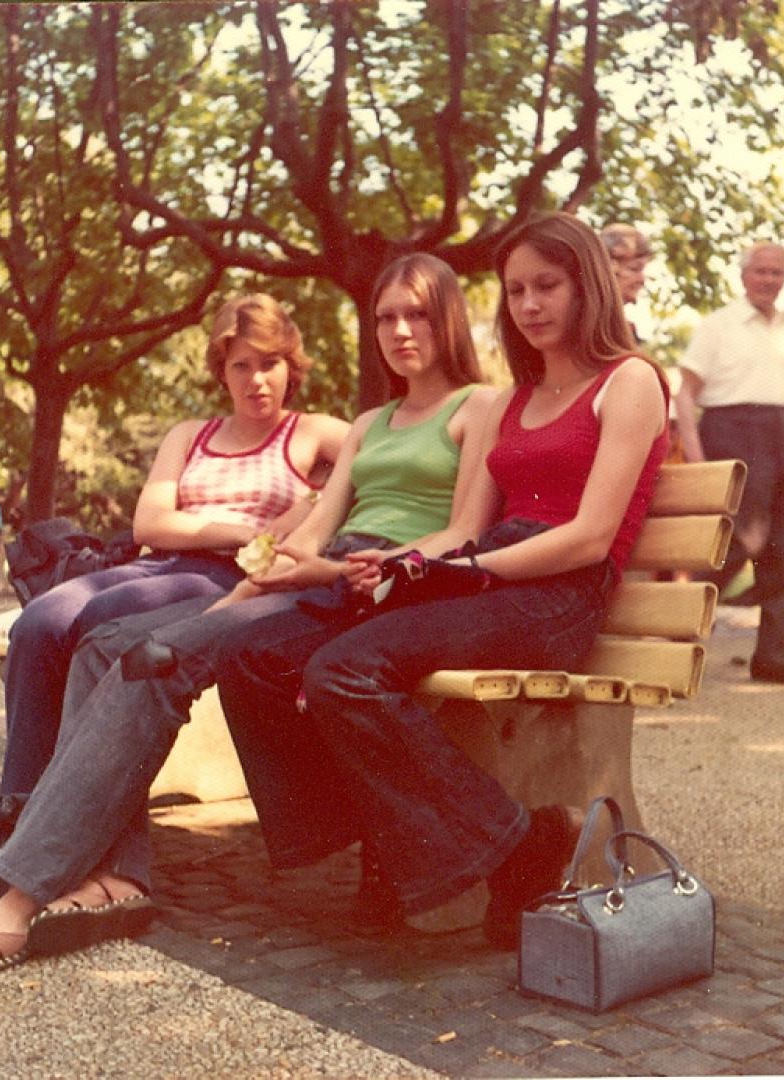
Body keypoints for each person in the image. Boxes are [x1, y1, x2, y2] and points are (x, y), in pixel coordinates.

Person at [0, 254, 494, 978]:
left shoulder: (479, 407)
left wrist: (350, 567)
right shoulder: (371, 422)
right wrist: (255, 584)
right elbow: (315, 531)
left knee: (158, 659)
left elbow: (464, 532)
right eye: (386, 316)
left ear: (448, 318)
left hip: (384, 586)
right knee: (109, 644)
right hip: (312, 579)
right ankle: (117, 879)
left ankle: (18, 897)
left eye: (416, 314)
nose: (399, 330)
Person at [210, 212, 670, 951]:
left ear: (587, 285)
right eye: (516, 291)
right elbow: (468, 525)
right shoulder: (517, 398)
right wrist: (409, 565)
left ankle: (488, 850)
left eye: (547, 286)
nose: (529, 305)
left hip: (562, 596)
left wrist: (469, 569)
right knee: (264, 657)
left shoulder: (631, 381)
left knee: (344, 671)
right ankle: (481, 843)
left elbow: (589, 536)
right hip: (489, 580)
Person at [0, 294, 348, 798]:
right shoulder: (190, 435)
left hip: (230, 578)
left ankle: (73, 806)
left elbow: (380, 458)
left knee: (105, 617)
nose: (257, 379)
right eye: (241, 365)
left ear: (291, 366)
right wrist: (246, 530)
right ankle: (19, 800)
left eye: (270, 363)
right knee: (39, 622)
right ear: (221, 371)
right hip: (159, 565)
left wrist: (311, 506)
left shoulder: (309, 431)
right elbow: (151, 524)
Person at [674, 241, 784, 686]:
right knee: (732, 544)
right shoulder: (717, 326)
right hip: (731, 433)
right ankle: (671, 646)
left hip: (783, 438)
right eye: (761, 271)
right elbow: (685, 393)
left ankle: (772, 659)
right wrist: (696, 457)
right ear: (743, 276)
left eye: (777, 273)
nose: (769, 280)